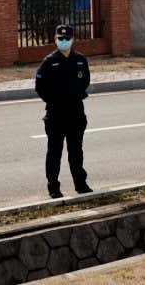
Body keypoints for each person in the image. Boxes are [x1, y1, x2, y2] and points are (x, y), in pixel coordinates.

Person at [35, 24, 92, 199]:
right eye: (61, 39)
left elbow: (85, 81)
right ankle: (53, 186)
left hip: (75, 112)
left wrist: (75, 95)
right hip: (56, 114)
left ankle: (80, 184)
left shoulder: (81, 60)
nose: (64, 41)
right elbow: (40, 87)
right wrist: (53, 100)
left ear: (73, 39)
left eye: (67, 39)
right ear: (55, 40)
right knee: (54, 152)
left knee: (76, 151)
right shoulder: (49, 62)